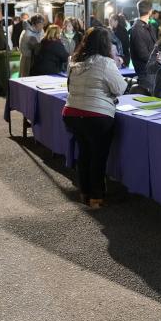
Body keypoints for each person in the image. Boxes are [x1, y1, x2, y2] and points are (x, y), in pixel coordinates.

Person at [63, 27, 127, 208]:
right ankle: (96, 197)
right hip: (96, 116)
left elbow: (68, 87)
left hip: (72, 113)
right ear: (106, 44)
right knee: (98, 157)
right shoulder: (106, 63)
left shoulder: (75, 61)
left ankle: (84, 192)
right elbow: (120, 88)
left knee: (84, 154)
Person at [129, 0, 157, 92]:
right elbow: (143, 54)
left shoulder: (148, 26)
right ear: (150, 11)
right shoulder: (137, 28)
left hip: (151, 70)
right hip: (145, 72)